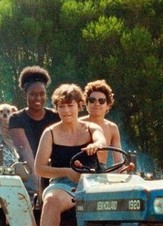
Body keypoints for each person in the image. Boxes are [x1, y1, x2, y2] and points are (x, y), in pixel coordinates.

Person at [34, 84, 107, 226]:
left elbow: (101, 140)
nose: (66, 110)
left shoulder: (92, 128)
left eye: (70, 105)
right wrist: (67, 172)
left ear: (80, 106)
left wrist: (96, 145)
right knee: (51, 200)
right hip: (62, 185)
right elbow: (39, 168)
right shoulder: (50, 133)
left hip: (93, 184)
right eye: (61, 106)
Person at [8, 66, 60, 200]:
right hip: (28, 170)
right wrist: (39, 184)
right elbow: (25, 150)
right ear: (26, 94)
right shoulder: (16, 119)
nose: (38, 98)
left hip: (53, 168)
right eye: (33, 94)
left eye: (42, 94)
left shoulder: (55, 117)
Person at [81, 79, 123, 165]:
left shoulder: (112, 128)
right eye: (92, 100)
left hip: (101, 173)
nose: (97, 104)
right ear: (86, 103)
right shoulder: (77, 124)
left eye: (101, 101)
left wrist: (125, 171)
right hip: (78, 171)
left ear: (108, 105)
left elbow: (118, 160)